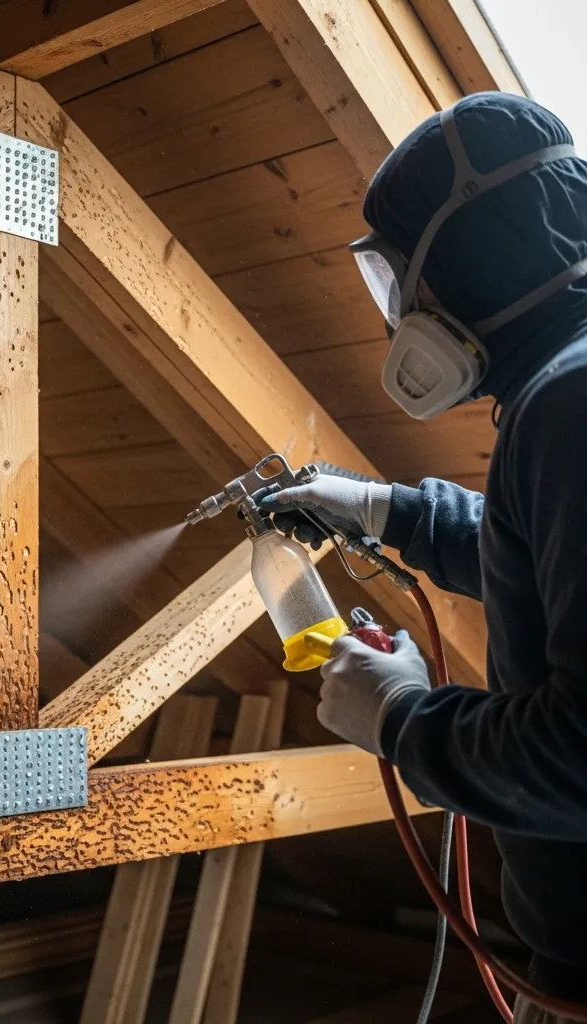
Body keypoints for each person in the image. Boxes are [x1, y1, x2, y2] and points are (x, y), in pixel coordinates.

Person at [260, 92, 587, 1022]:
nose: (404, 310)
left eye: (407, 278)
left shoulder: (572, 403)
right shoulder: (563, 386)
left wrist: (403, 717)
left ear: (474, 254)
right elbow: (546, 562)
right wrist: (389, 511)